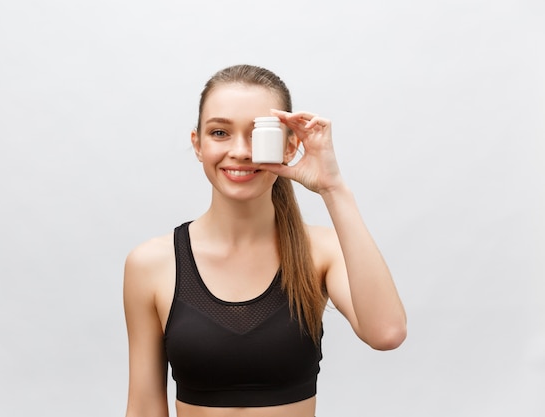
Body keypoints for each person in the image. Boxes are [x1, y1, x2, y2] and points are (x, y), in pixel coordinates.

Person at [122, 64, 407, 417]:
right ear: (197, 144)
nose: (240, 151)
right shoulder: (151, 263)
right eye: (220, 132)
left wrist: (333, 188)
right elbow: (145, 406)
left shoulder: (321, 251)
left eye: (259, 134)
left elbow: (387, 332)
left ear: (289, 147)